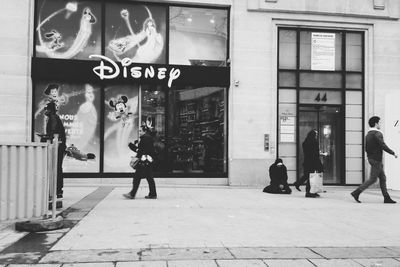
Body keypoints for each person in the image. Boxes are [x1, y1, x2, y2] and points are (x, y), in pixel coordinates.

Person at [351, 116, 398, 204]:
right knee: (373, 179)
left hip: (372, 158)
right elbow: (383, 145)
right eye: (380, 122)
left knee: (382, 178)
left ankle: (386, 197)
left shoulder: (368, 134)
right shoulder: (377, 133)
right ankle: (356, 192)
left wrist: (369, 157)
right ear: (376, 124)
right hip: (376, 159)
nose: (380, 124)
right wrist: (393, 153)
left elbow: (366, 147)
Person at [123, 123, 157, 199]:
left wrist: (132, 147)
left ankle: (132, 194)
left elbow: (141, 151)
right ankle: (153, 194)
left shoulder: (144, 138)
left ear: (144, 131)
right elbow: (143, 150)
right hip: (148, 161)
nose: (139, 132)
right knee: (149, 178)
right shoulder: (148, 138)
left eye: (140, 131)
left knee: (137, 177)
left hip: (144, 162)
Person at [44, 102, 67, 203]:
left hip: (57, 147)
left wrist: (46, 137)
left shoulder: (53, 117)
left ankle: (57, 191)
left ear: (51, 109)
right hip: (59, 146)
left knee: (56, 168)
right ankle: (58, 191)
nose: (45, 111)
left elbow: (53, 132)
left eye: (47, 109)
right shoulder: (54, 117)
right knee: (57, 168)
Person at [293, 129, 324, 198]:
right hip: (313, 162)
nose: (316, 136)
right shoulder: (314, 142)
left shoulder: (305, 142)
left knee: (308, 176)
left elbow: (308, 153)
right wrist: (319, 163)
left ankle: (299, 184)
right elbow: (315, 154)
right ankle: (309, 192)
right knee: (311, 177)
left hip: (307, 161)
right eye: (315, 135)